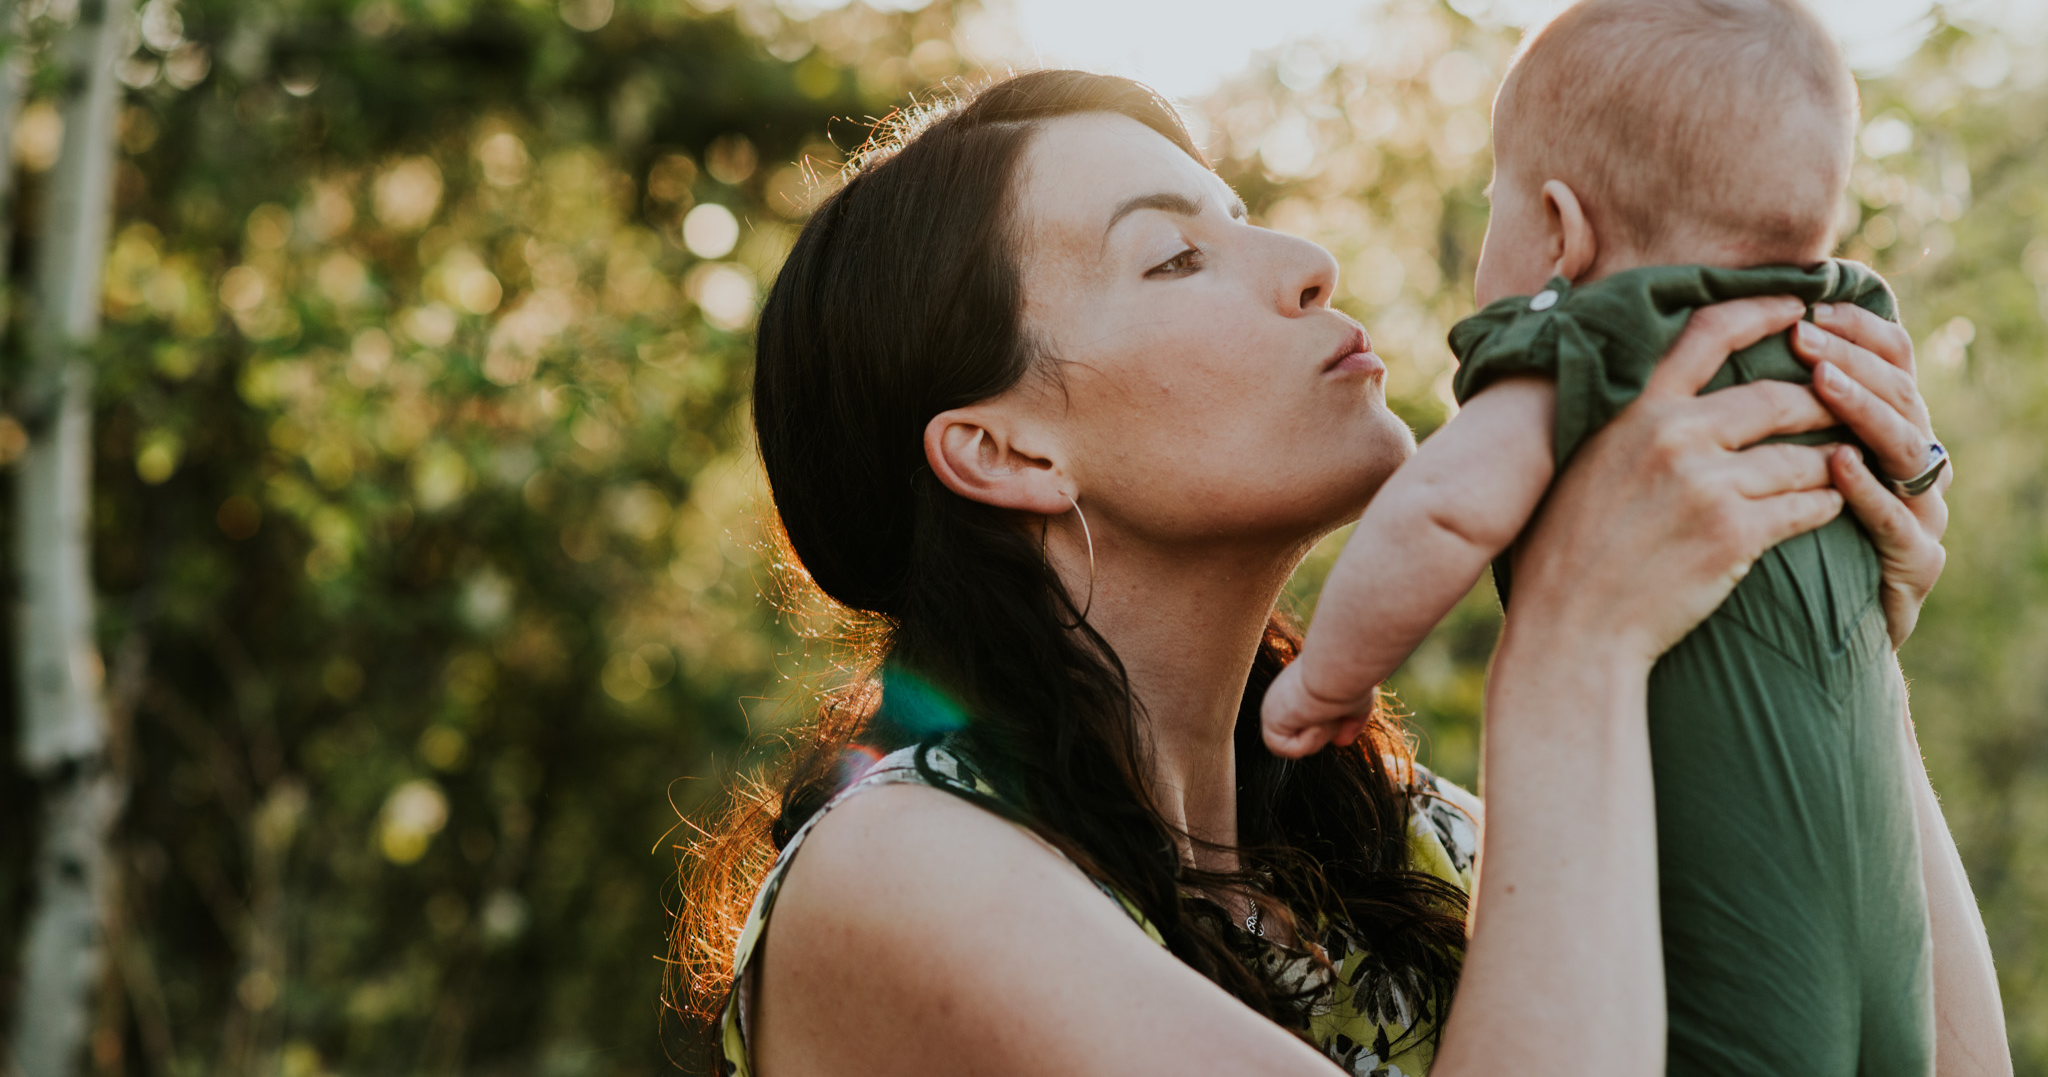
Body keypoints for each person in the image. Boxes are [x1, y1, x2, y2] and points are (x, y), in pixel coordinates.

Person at [673, 70, 2006, 1077]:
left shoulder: (1413, 845)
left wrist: (1837, 649)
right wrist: (1570, 644)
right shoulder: (902, 872)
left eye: (1243, 218)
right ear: (1002, 447)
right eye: (1175, 254)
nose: (1308, 265)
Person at [1261, 0, 1959, 1073]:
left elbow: (1437, 512)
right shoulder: (1841, 340)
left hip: (1719, 944)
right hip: (1890, 946)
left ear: (1556, 231)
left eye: (1493, 204)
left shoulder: (1591, 341)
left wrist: (1327, 679)